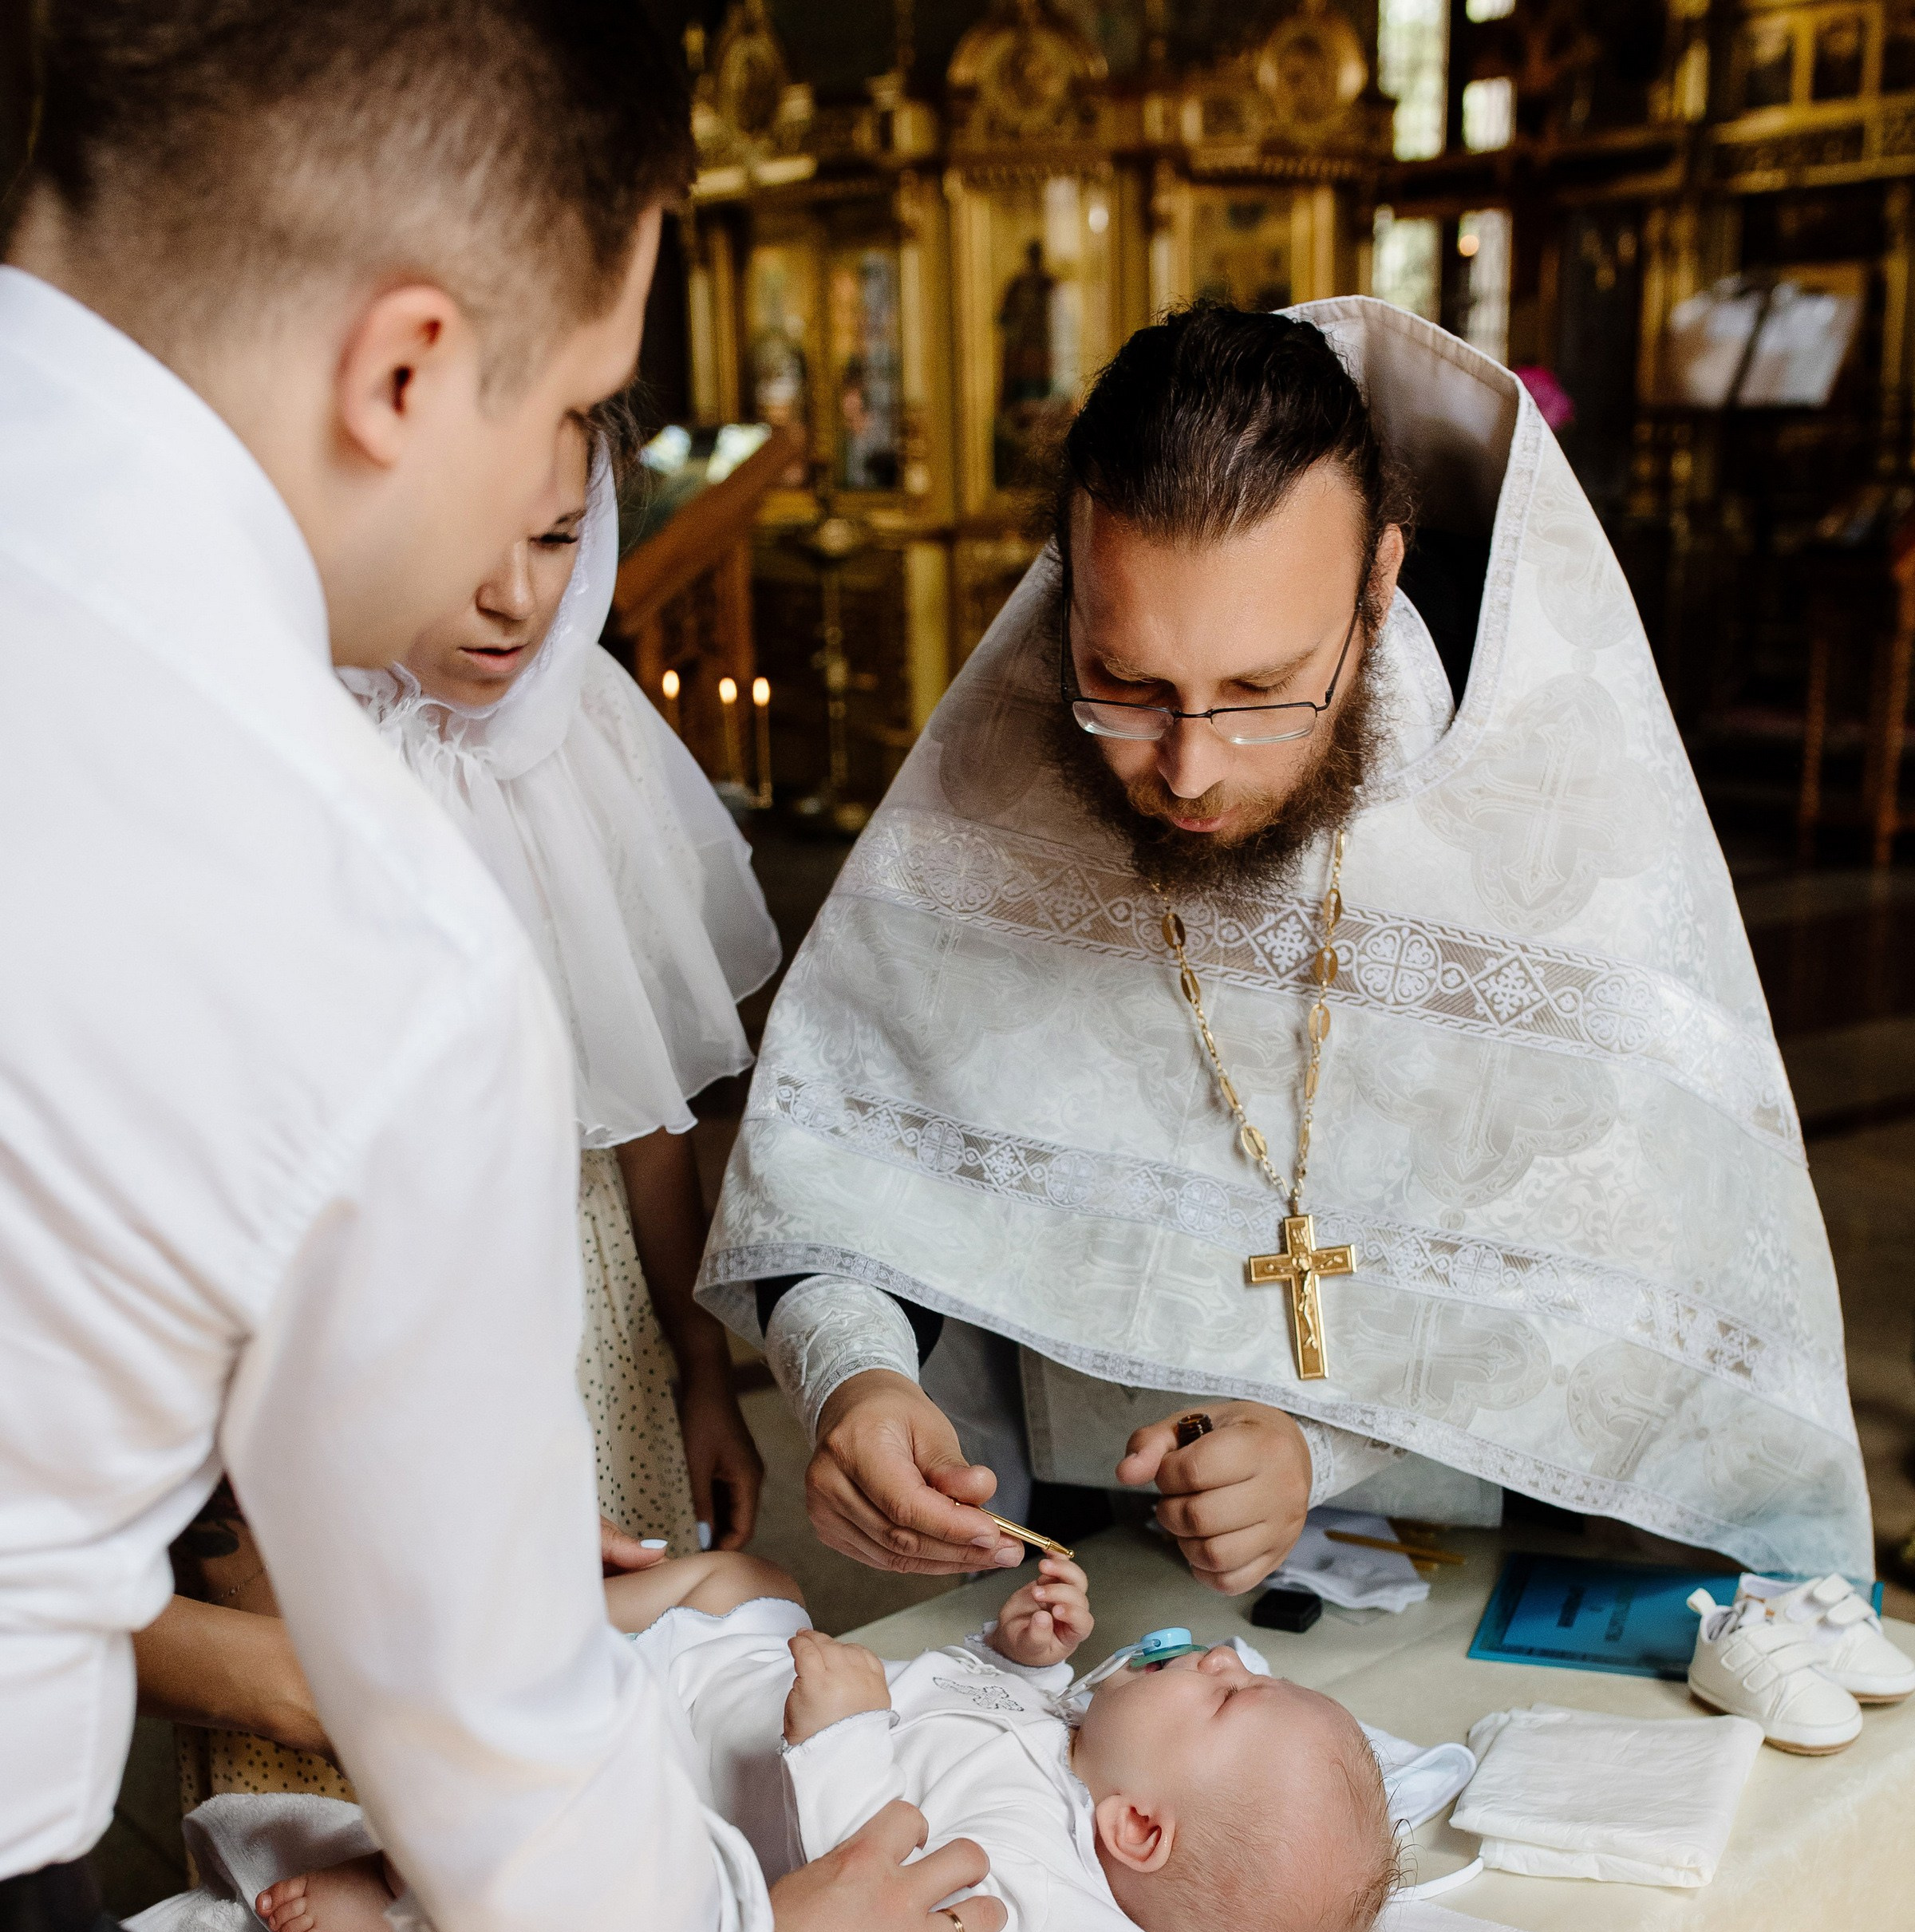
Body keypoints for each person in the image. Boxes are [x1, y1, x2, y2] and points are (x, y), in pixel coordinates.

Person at [0, 7, 998, 1932]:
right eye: (576, 411)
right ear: (408, 365)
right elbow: (534, 1831)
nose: (553, 513)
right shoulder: (346, 917)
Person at [702, 298, 1871, 1595]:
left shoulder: (1543, 817)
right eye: (1127, 682)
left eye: (1263, 691)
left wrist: (1324, 1441)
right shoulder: (1012, 763)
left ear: (1378, 579)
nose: (1188, 767)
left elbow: (1647, 1271)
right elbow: (849, 1160)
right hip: (1078, 1570)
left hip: (1476, 1564)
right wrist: (852, 1375)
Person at [257, 1551, 1398, 1932]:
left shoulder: (1030, 1879)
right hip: (740, 1675)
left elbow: (908, 1911)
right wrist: (1011, 1654)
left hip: (669, 1770)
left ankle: (397, 1889)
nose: (1214, 1652)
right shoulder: (1074, 1737)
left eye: (1229, 1693)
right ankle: (517, 1627)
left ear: (1138, 1833)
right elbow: (964, 1708)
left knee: (515, 1819)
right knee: (742, 1572)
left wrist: (847, 1737)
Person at [343, 406, 777, 1556]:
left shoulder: (585, 723)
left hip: (589, 1306)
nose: (518, 599)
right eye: (467, 539)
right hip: (362, 1331)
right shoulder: (289, 750)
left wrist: (700, 1370)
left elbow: (642, 1109)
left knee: (614, 1672)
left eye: (557, 539)